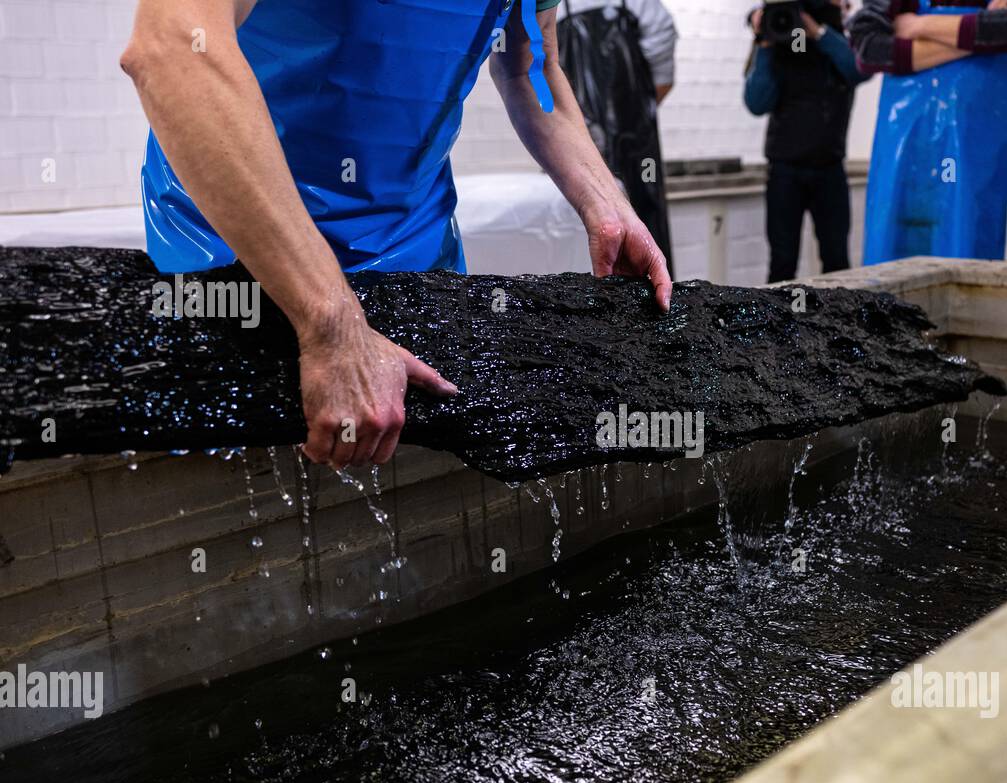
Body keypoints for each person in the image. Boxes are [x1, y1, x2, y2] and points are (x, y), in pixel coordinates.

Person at [121, 0, 672, 469]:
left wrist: (608, 204)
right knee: (240, 479)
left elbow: (534, 67)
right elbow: (172, 49)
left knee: (418, 470)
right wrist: (330, 323)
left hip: (415, 243)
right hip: (241, 238)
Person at [848, 0, 1007, 264]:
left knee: (965, 236)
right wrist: (977, 40)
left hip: (975, 141)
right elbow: (868, 48)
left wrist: (917, 26)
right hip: (905, 144)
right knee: (895, 247)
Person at [743, 0, 871, 284]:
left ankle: (838, 326)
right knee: (782, 262)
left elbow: (858, 69)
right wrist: (764, 41)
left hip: (829, 168)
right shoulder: (777, 46)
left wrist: (818, 32)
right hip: (784, 170)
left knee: (837, 262)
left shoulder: (837, 43)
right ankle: (777, 325)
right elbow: (756, 102)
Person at [557, 0, 678, 276]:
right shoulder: (552, 9)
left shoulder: (641, 6)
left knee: (645, 237)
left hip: (636, 154)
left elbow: (660, 81)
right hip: (572, 154)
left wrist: (632, 120)